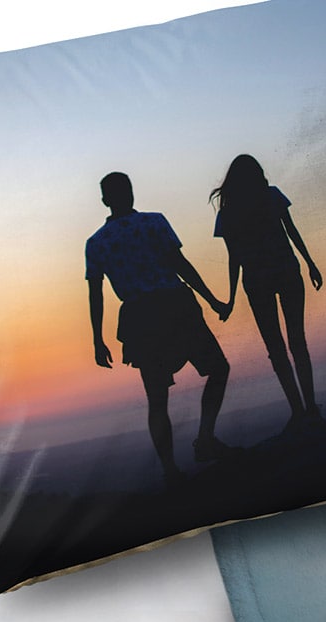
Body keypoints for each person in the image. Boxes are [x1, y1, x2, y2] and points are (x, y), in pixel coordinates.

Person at [86, 171, 230, 485]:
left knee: (157, 397)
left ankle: (170, 470)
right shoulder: (153, 222)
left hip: (140, 318)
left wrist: (98, 339)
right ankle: (205, 439)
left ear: (105, 200)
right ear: (131, 193)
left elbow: (95, 293)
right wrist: (213, 300)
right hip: (175, 305)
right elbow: (180, 265)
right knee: (218, 369)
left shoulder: (97, 243)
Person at [210, 154, 322, 429]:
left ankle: (298, 411)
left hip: (256, 281)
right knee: (298, 341)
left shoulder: (228, 212)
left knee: (276, 348)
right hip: (286, 271)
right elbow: (291, 231)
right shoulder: (272, 196)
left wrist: (232, 297)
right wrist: (310, 263)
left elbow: (233, 257)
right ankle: (310, 407)